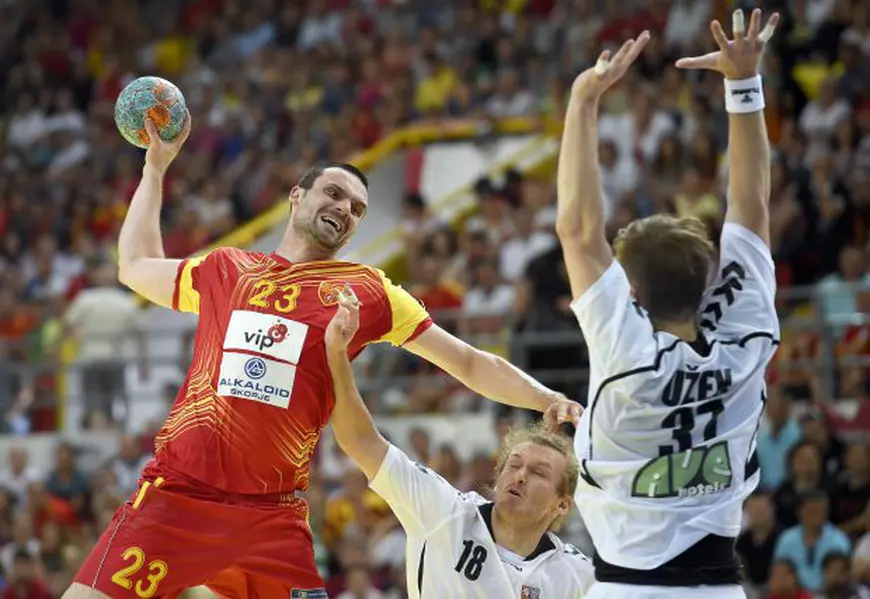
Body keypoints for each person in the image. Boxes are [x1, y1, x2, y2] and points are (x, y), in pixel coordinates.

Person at [64, 113, 581, 597]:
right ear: (296, 196)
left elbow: (468, 361)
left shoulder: (368, 290)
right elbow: (135, 265)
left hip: (272, 516)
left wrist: (543, 396)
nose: (345, 210)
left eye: (357, 208)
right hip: (179, 497)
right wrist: (155, 167)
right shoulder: (227, 268)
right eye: (334, 194)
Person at [551, 9, 781, 599]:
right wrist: (744, 83)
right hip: (721, 587)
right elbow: (751, 205)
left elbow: (579, 230)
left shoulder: (626, 350)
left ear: (630, 295)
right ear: (710, 286)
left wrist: (582, 102)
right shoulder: (744, 340)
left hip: (627, 587)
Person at [322, 284, 594, 598]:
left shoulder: (581, 576)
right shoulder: (443, 511)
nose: (520, 475)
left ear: (564, 503)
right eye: (515, 464)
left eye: (539, 473)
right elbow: (360, 441)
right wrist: (338, 356)